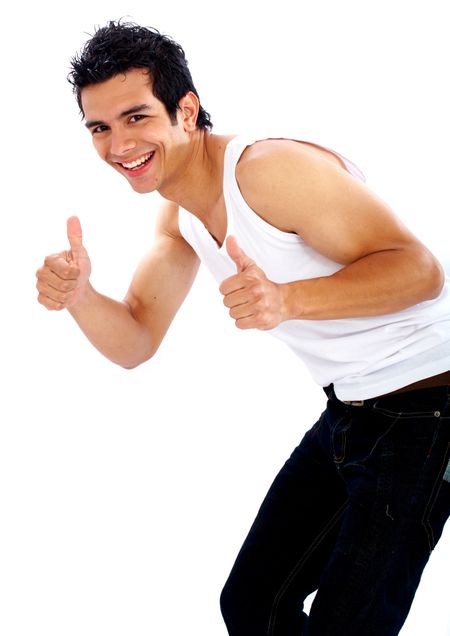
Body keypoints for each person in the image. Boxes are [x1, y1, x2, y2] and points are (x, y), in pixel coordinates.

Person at [36, 20, 450, 636]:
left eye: (135, 117)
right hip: (350, 412)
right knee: (254, 601)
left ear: (186, 108)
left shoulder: (266, 169)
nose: (119, 145)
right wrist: (80, 297)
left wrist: (287, 300)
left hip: (427, 407)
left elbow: (420, 271)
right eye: (99, 127)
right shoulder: (179, 215)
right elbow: (135, 341)